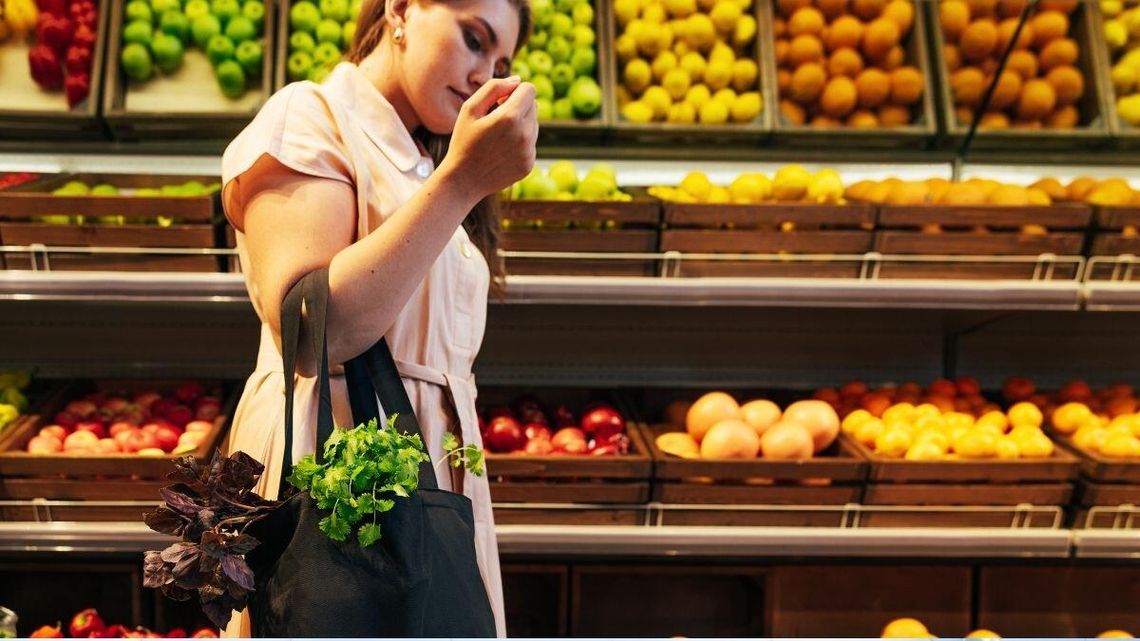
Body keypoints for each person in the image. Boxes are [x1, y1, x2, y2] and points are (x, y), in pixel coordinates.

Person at [217, 0, 536, 633]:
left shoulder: (423, 159)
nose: (485, 74)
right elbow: (312, 330)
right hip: (329, 468)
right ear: (400, 9)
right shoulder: (308, 116)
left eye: (501, 62)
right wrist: (462, 182)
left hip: (428, 480)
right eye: (475, 40)